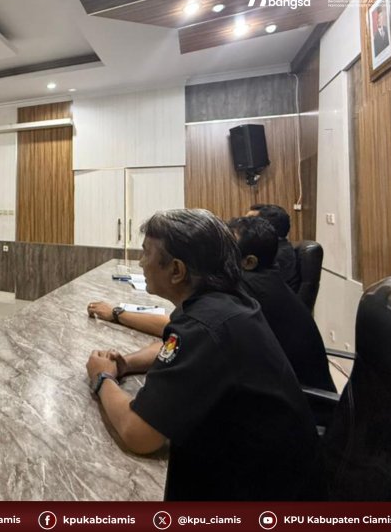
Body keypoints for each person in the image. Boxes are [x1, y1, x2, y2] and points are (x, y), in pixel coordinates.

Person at [85, 209, 321, 501]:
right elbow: (176, 346)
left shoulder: (206, 323)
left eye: (146, 253)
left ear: (177, 271)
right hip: (273, 471)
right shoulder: (221, 301)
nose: (141, 262)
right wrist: (126, 364)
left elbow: (139, 435)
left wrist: (102, 377)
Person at [227, 216, 336, 394]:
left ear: (249, 262)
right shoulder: (267, 278)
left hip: (304, 400)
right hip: (288, 391)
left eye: (226, 248)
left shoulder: (245, 289)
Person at [247, 203, 300, 292]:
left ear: (266, 228)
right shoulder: (270, 249)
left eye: (249, 222)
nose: (243, 227)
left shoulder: (277, 256)